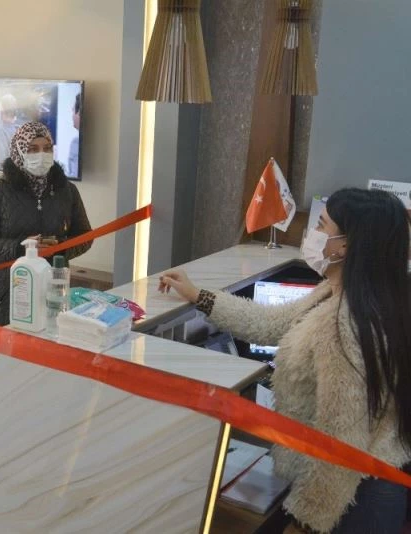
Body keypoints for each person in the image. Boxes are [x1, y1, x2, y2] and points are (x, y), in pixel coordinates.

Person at [158, 188, 411, 534]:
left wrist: (306, 522)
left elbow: (342, 442)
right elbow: (269, 323)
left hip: (352, 499)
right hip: (356, 488)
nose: (312, 234)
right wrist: (197, 295)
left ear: (345, 246)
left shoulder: (345, 325)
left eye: (321, 225)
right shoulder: (345, 293)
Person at [0, 121, 93, 375]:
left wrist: (59, 251)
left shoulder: (67, 191)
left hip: (54, 290)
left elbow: (85, 236)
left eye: (47, 148)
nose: (41, 155)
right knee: (6, 367)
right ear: (19, 151)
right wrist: (20, 248)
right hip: (10, 290)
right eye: (33, 149)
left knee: (48, 367)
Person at [68, 93, 81, 178]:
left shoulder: (77, 142)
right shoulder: (75, 142)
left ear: (79, 113)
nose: (72, 114)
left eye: (73, 110)